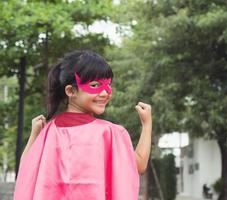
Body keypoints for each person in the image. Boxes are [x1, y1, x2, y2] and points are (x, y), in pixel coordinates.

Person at [13, 50, 152, 200]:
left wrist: (35, 135)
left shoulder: (48, 131)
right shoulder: (109, 133)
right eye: (95, 85)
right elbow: (140, 165)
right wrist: (146, 124)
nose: (105, 93)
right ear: (71, 91)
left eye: (108, 85)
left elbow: (26, 169)